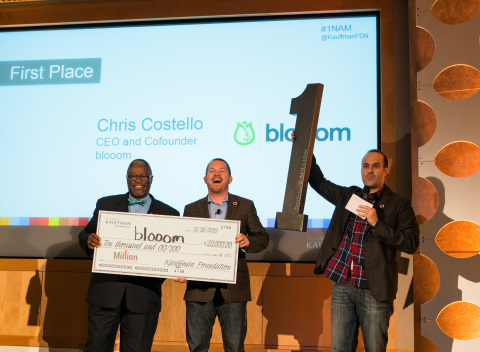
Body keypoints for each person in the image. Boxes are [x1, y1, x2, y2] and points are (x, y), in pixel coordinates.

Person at [308, 150, 419, 352]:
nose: (369, 170)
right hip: (343, 286)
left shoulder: (398, 204)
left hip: (374, 291)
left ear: (385, 171)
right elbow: (318, 181)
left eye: (375, 166)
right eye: (365, 166)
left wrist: (377, 224)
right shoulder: (350, 196)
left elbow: (411, 243)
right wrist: (305, 149)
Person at [78, 159, 179, 352]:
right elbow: (85, 234)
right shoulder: (106, 204)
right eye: (133, 176)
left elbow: (173, 254)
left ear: (151, 179)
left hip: (143, 296)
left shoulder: (169, 213)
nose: (138, 180)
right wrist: (88, 240)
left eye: (143, 176)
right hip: (106, 294)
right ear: (127, 179)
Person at [176, 158, 269, 352]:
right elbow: (183, 245)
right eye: (212, 171)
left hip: (233, 289)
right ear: (205, 179)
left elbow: (262, 238)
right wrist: (181, 268)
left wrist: (248, 241)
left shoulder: (245, 206)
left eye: (222, 171)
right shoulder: (191, 209)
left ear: (230, 178)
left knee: (235, 347)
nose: (216, 174)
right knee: (197, 347)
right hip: (198, 289)